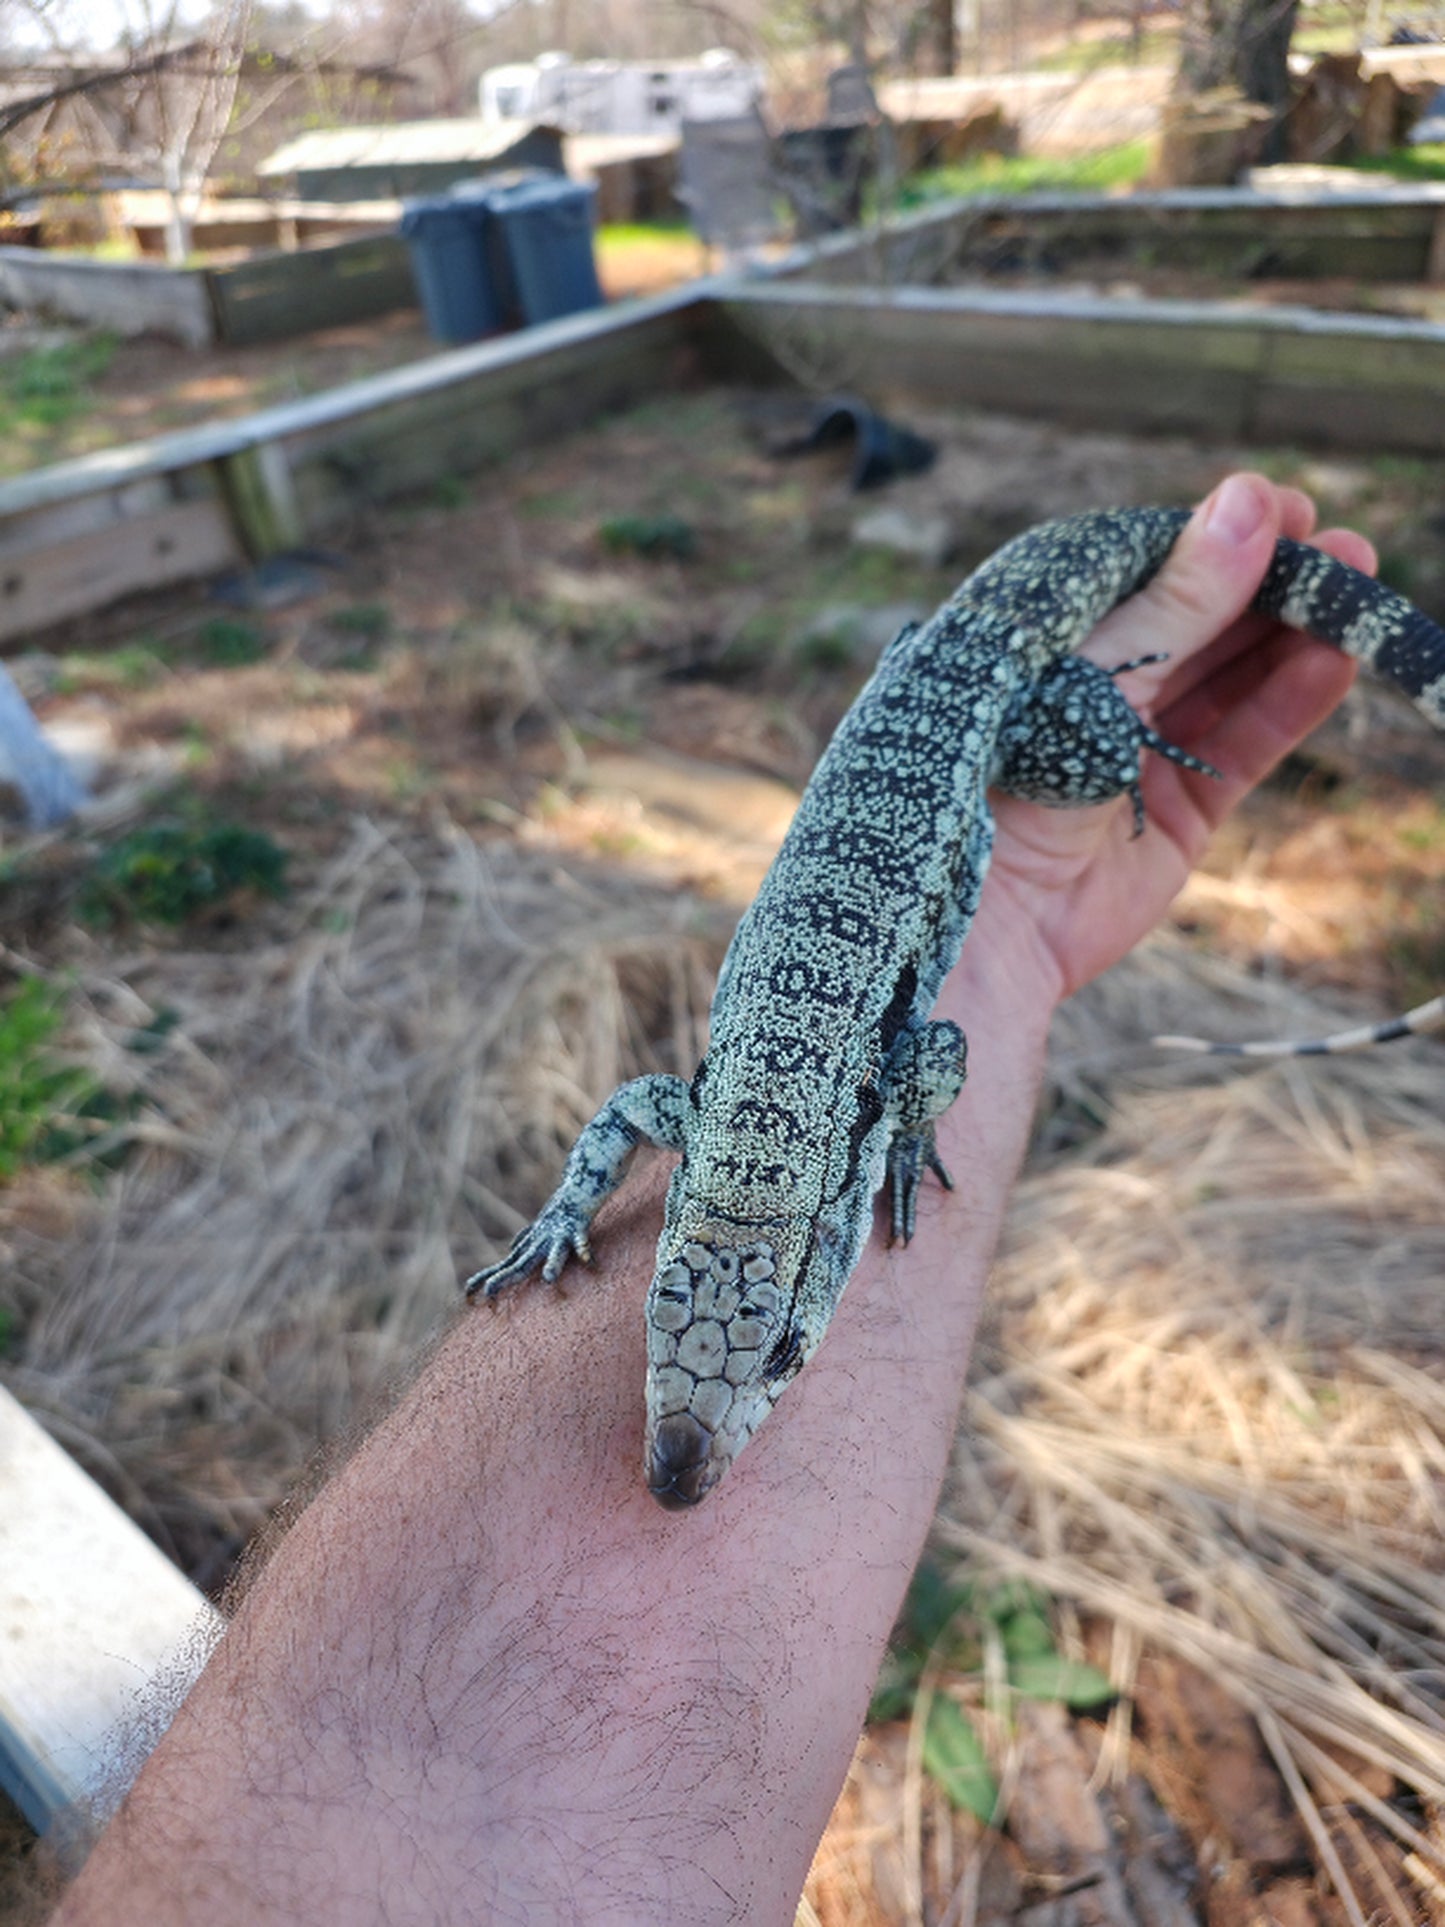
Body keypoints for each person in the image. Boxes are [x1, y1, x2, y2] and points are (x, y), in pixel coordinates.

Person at [50, 474, 1371, 1926]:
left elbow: (921, 1053)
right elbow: (653, 1109)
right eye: (729, 1350)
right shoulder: (717, 1137)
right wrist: (573, 1220)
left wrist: (1104, 742)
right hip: (923, 699)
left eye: (776, 1358)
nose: (698, 1429)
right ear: (672, 1248)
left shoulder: (793, 1133)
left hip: (990, 679)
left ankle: (1121, 708)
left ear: (797, 1284)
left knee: (1091, 738)